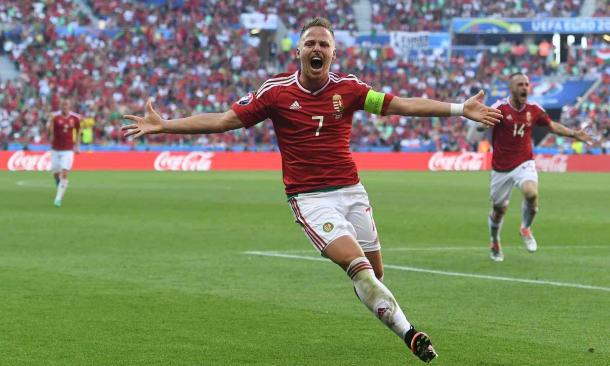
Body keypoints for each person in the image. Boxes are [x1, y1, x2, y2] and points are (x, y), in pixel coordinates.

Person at [123, 17, 502, 363]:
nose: (317, 49)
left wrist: (458, 108)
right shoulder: (274, 93)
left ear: (334, 53)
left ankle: (377, 300)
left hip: (353, 192)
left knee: (375, 275)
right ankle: (411, 334)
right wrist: (165, 124)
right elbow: (223, 121)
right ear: (299, 51)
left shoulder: (351, 90)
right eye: (311, 43)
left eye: (324, 44)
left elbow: (399, 104)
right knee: (359, 269)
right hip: (311, 199)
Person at [484, 73, 592, 262]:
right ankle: (494, 242)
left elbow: (551, 126)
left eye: (526, 84)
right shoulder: (499, 107)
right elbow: (482, 121)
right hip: (501, 168)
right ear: (511, 88)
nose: (524, 87)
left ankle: (525, 228)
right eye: (520, 84)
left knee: (531, 193)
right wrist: (479, 124)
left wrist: (574, 134)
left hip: (524, 162)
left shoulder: (534, 109)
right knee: (499, 210)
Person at [48, 100, 81, 207]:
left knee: (65, 172)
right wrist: (49, 128)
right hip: (55, 149)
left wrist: (77, 146)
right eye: (63, 105)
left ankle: (58, 199)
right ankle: (60, 184)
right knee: (56, 174)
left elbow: (79, 131)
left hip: (68, 150)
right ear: (61, 106)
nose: (65, 107)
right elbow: (50, 131)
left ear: (69, 106)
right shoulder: (55, 117)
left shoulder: (75, 118)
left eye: (66, 105)